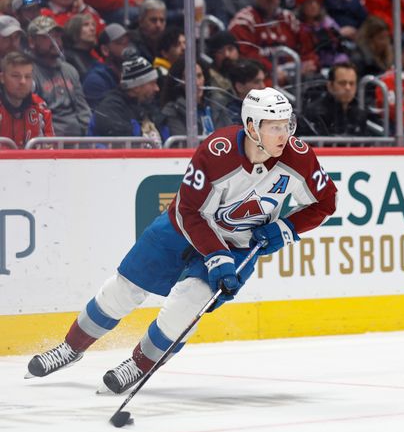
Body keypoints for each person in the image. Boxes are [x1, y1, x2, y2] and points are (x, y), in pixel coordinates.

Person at [26, 86, 337, 395]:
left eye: (287, 125)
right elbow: (189, 211)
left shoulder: (299, 158)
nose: (284, 135)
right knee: (122, 291)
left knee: (185, 307)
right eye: (275, 127)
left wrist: (285, 228)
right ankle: (70, 348)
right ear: (252, 127)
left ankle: (138, 365)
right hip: (180, 229)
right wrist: (216, 255)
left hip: (240, 245)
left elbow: (326, 202)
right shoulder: (216, 152)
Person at [28, 16, 91, 137]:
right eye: (47, 37)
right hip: (48, 140)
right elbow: (33, 116)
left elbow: (83, 110)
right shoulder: (28, 72)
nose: (54, 41)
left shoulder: (69, 70)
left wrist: (89, 138)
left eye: (57, 36)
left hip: (78, 139)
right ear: (32, 42)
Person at [92, 53, 164, 142]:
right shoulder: (111, 109)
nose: (157, 88)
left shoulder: (148, 107)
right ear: (136, 87)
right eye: (152, 83)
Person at [297, 61, 372, 136]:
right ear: (330, 86)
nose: (348, 88)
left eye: (352, 83)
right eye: (342, 83)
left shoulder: (360, 114)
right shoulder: (315, 112)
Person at [0, 51, 54, 148]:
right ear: (2, 78)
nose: (23, 81)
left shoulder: (40, 107)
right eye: (16, 76)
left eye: (28, 76)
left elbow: (50, 149)